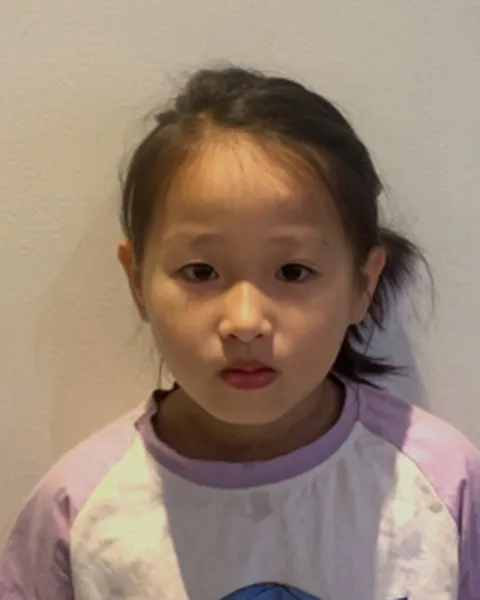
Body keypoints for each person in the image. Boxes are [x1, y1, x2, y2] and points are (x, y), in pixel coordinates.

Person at [0, 65, 479, 600]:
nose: (246, 321)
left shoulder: (443, 484)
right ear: (137, 281)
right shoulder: (78, 509)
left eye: (293, 272)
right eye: (200, 272)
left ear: (363, 284)